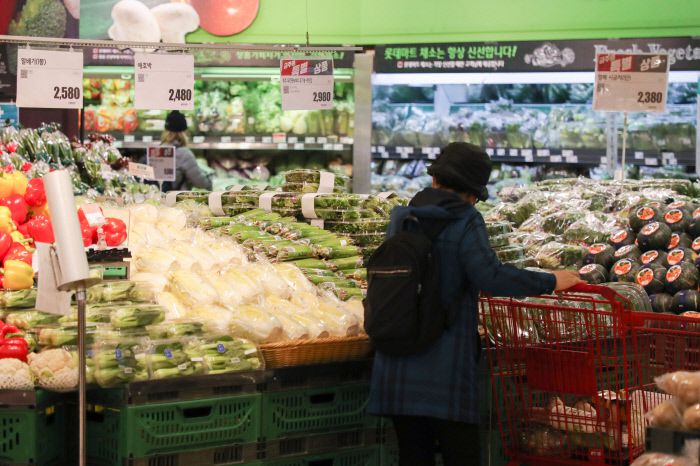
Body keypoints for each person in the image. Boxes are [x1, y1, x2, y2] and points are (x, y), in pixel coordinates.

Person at [368, 142, 582, 466]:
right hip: (443, 360)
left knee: (413, 455)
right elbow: (490, 276)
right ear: (471, 193)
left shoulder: (403, 216)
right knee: (462, 454)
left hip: (397, 356)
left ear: (435, 179)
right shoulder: (466, 219)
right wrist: (550, 280)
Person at [157, 110, 212, 191]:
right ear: (184, 133)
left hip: (157, 196)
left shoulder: (158, 151)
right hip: (177, 197)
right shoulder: (184, 154)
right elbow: (201, 183)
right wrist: (210, 180)